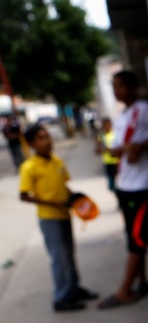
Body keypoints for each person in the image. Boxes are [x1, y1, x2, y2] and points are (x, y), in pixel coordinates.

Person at [19, 124, 98, 312]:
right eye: (41, 138)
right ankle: (61, 298)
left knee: (69, 254)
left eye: (47, 136)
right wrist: (54, 204)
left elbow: (64, 186)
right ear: (31, 144)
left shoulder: (57, 161)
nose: (47, 141)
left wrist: (77, 200)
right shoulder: (29, 167)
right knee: (59, 258)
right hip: (49, 218)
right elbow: (24, 195)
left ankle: (74, 288)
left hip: (64, 215)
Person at [98, 71, 148, 310]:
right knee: (133, 237)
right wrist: (122, 149)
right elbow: (114, 150)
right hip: (125, 185)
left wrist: (140, 146)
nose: (116, 91)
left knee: (137, 240)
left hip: (141, 187)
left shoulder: (143, 109)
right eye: (114, 86)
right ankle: (141, 282)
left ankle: (123, 291)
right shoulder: (123, 116)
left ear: (133, 87)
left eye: (120, 86)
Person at [96, 118, 119, 191]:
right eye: (105, 125)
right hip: (107, 161)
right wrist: (101, 149)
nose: (107, 127)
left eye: (108, 125)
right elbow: (97, 150)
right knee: (111, 183)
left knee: (120, 180)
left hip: (117, 161)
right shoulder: (101, 136)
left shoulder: (116, 134)